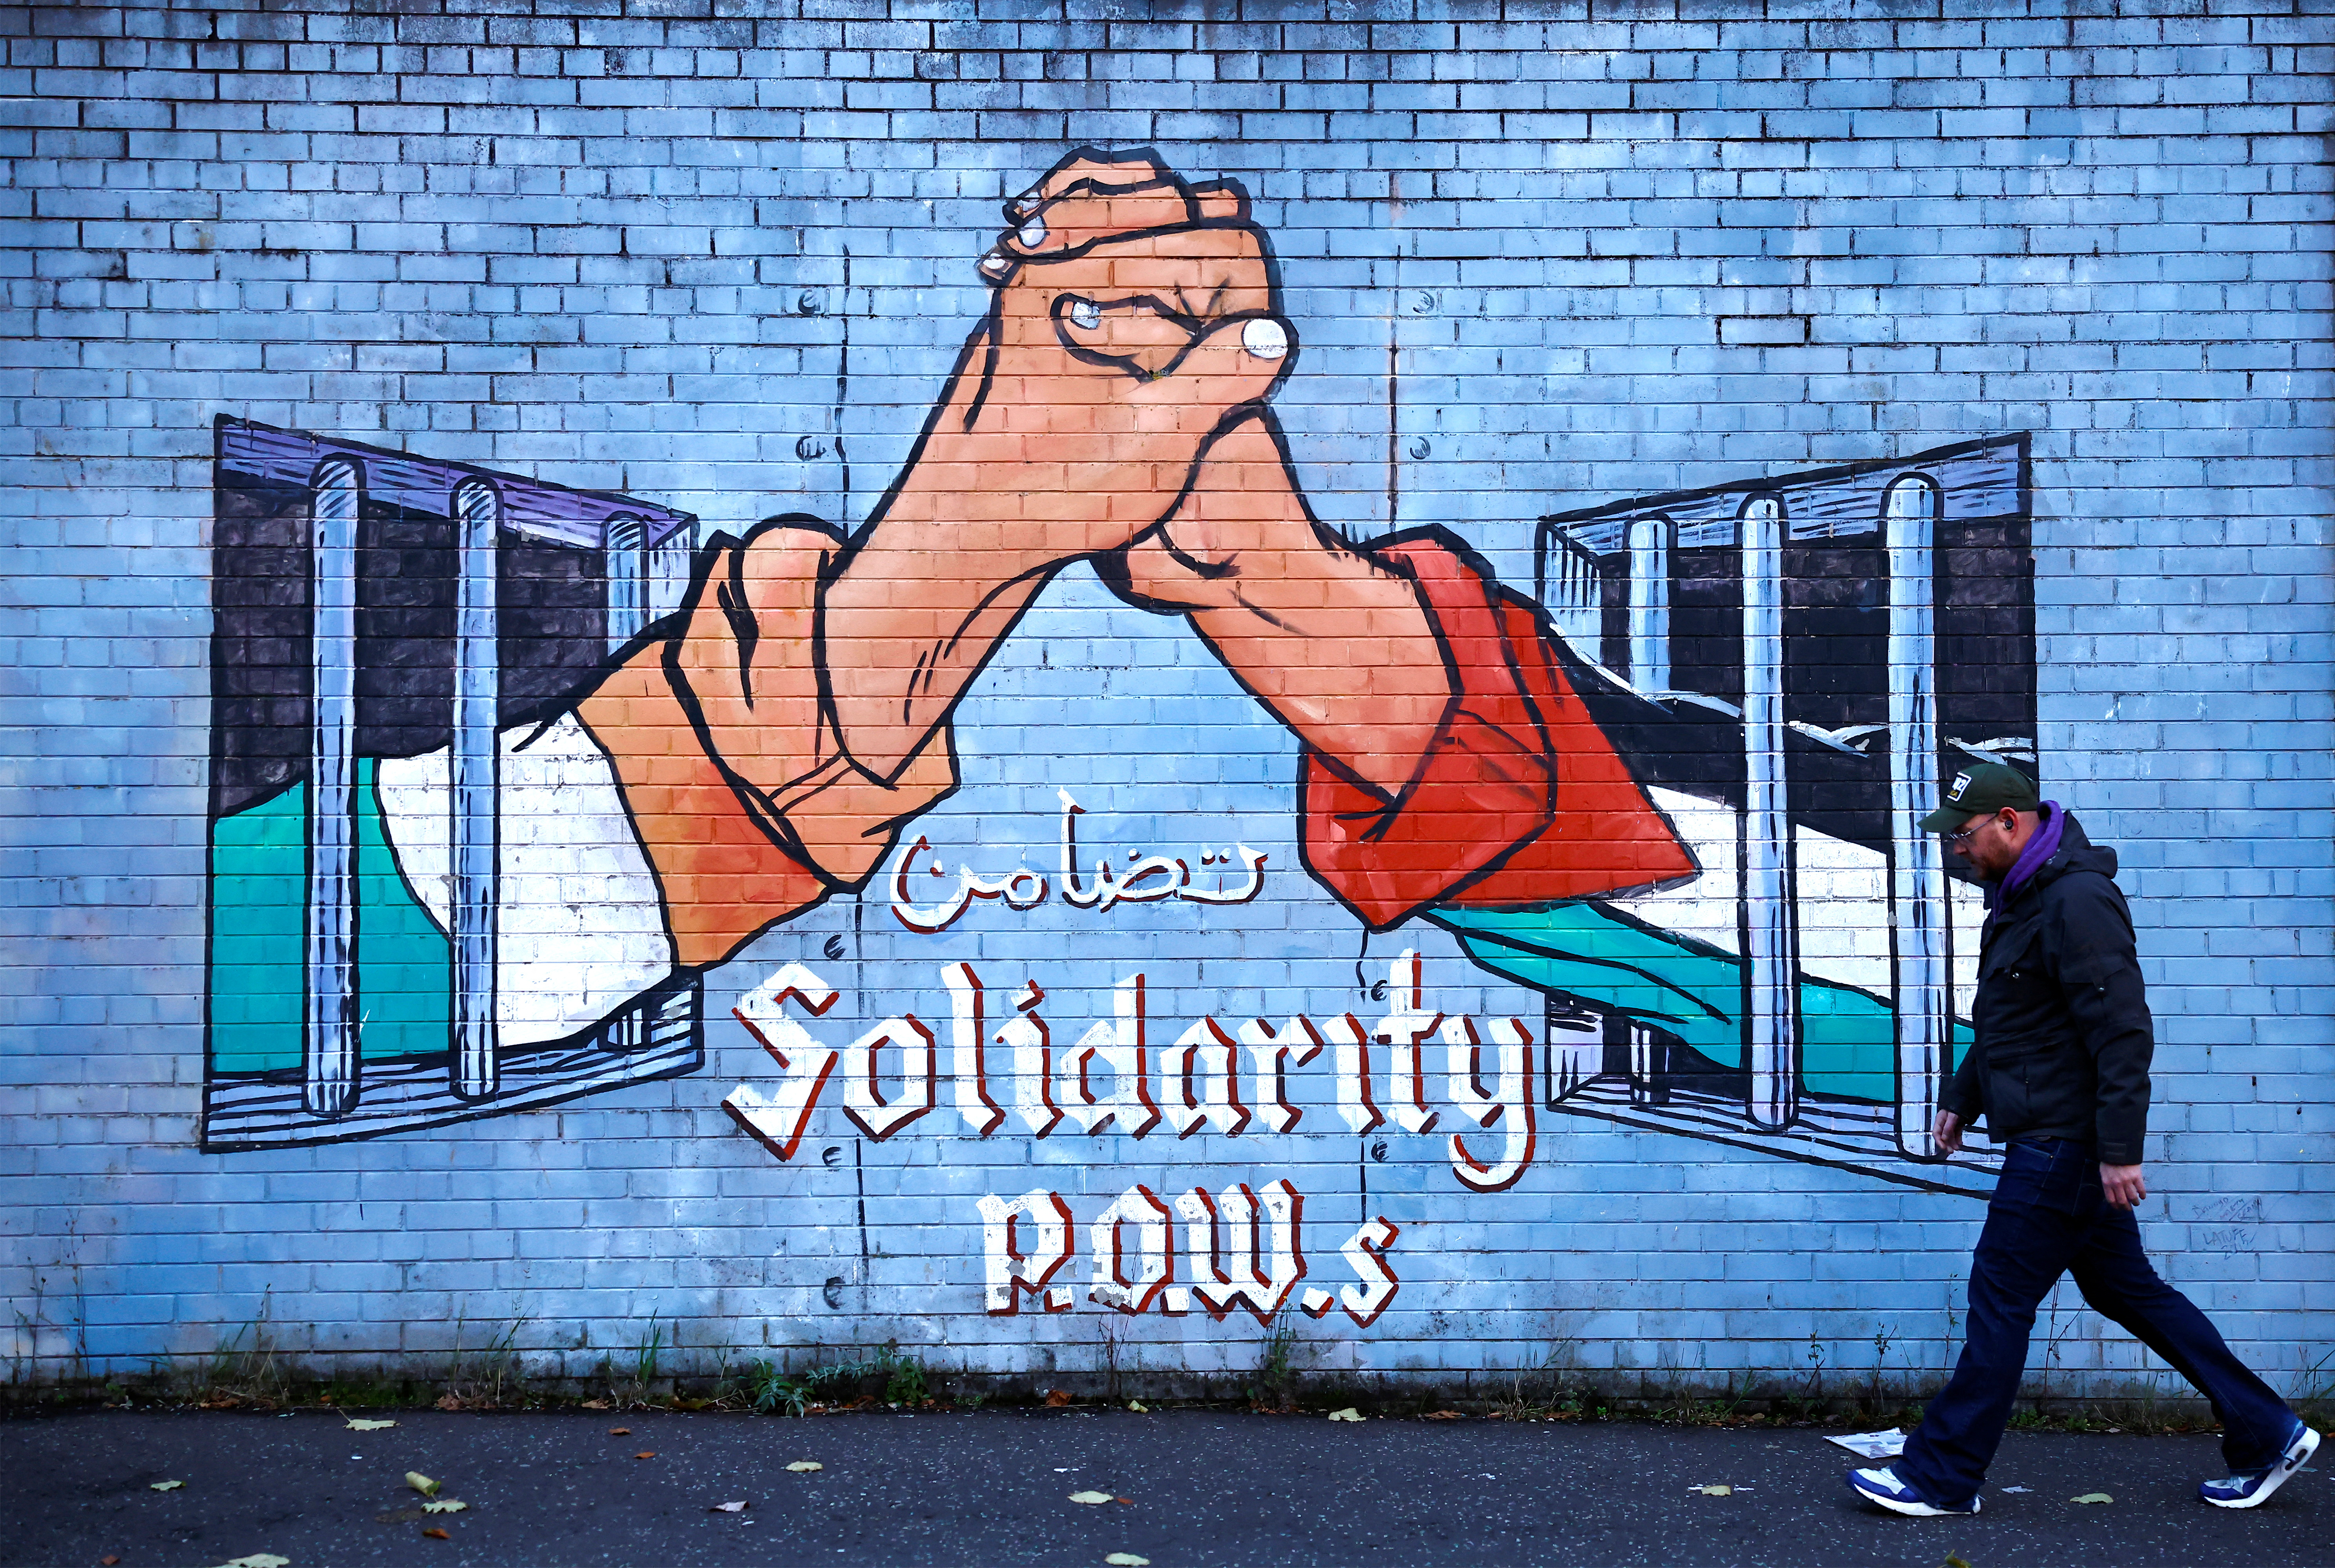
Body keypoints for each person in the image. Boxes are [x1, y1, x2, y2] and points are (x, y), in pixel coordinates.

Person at [1846, 762, 2319, 1515]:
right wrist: (1962, 1098)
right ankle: (2269, 1431)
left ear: (2010, 821)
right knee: (2129, 1291)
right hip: (2056, 1136)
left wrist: (2120, 1148)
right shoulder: (2024, 898)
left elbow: (2124, 1030)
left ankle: (1943, 1477)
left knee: (1999, 1298)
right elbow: (2013, 1020)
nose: (1959, 851)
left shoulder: (2077, 900)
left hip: (2063, 1143)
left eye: (1965, 836)